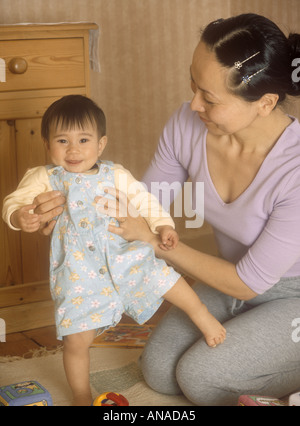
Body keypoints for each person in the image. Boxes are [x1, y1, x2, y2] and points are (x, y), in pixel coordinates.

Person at [96, 13, 300, 405]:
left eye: (209, 97)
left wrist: (156, 244)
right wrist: (73, 207)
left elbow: (247, 282)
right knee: (158, 369)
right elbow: (142, 204)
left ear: (265, 103)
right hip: (230, 282)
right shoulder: (187, 125)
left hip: (289, 295)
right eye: (194, 84)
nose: (194, 104)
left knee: (200, 376)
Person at [2, 95, 226, 406]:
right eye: (62, 140)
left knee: (165, 279)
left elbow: (145, 201)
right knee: (76, 338)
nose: (74, 149)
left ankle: (202, 315)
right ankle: (81, 393)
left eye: (83, 139)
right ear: (46, 145)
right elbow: (14, 202)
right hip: (80, 272)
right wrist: (20, 216)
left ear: (101, 144)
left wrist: (163, 225)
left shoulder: (115, 174)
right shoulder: (45, 177)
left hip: (126, 255)